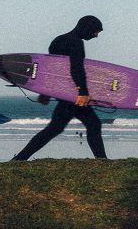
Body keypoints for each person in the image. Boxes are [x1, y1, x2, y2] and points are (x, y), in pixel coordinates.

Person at [12, 16, 108, 161]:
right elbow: (76, 68)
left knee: (56, 128)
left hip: (64, 92)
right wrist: (82, 92)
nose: (96, 35)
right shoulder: (76, 43)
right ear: (86, 28)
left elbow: (51, 69)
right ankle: (102, 160)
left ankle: (20, 159)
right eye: (95, 31)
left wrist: (45, 91)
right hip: (72, 93)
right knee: (91, 124)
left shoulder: (58, 40)